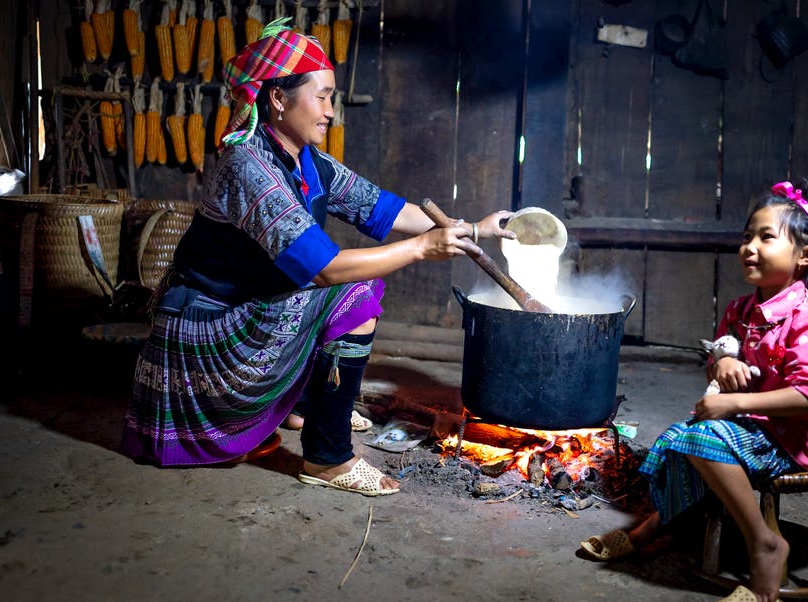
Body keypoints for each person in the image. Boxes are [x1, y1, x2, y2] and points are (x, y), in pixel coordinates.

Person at [120, 17, 514, 497]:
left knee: (330, 291)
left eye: (332, 97)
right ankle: (328, 458)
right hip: (210, 329)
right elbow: (325, 268)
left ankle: (302, 403)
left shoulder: (308, 159)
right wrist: (420, 249)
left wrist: (476, 229)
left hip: (251, 308)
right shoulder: (250, 166)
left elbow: (384, 211)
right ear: (279, 99)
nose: (331, 111)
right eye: (322, 96)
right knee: (354, 294)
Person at [578, 180, 808, 602]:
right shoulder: (740, 310)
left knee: (702, 438)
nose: (750, 247)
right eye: (746, 236)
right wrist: (720, 364)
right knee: (678, 438)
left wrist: (735, 403)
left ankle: (765, 548)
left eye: (766, 237)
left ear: (806, 255)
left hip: (783, 438)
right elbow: (717, 359)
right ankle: (655, 529)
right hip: (746, 426)